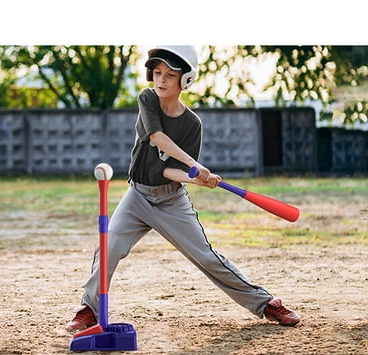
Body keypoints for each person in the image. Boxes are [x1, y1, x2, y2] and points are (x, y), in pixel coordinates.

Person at [66, 46, 300, 334]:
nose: (161, 80)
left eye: (170, 75)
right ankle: (89, 308)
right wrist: (194, 164)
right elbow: (157, 137)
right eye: (157, 73)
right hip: (137, 196)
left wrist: (197, 178)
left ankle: (266, 304)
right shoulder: (148, 98)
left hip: (170, 200)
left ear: (185, 80)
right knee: (108, 246)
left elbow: (169, 171)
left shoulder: (192, 124)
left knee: (206, 257)